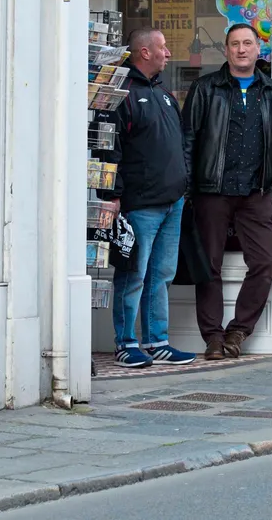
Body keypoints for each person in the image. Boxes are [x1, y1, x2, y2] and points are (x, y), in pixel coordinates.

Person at [184, 24, 272, 361]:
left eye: (248, 43)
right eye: (235, 44)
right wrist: (187, 189)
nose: (242, 50)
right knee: (208, 266)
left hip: (256, 192)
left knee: (265, 262)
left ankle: (239, 330)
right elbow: (188, 142)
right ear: (226, 50)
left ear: (259, 49)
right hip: (212, 190)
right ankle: (213, 337)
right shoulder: (205, 89)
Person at [97, 29, 194, 367]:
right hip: (139, 205)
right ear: (144, 52)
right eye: (162, 47)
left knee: (162, 273)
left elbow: (180, 144)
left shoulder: (164, 94)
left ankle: (157, 341)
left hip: (173, 202)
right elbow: (109, 148)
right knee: (133, 274)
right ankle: (126, 343)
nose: (168, 53)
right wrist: (113, 195)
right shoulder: (121, 94)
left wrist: (184, 183)